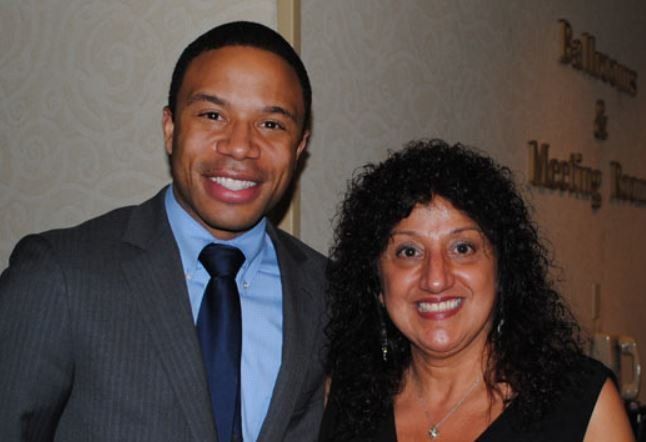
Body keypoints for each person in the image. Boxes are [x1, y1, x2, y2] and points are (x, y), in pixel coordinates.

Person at [0, 21, 327, 442]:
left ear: (299, 147)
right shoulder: (58, 276)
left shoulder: (327, 292)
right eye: (212, 115)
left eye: (271, 125)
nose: (240, 146)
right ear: (171, 129)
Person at [319, 139, 634, 441]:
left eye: (462, 247)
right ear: (376, 282)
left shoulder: (581, 405)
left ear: (501, 269)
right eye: (409, 252)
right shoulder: (343, 401)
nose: (436, 279)